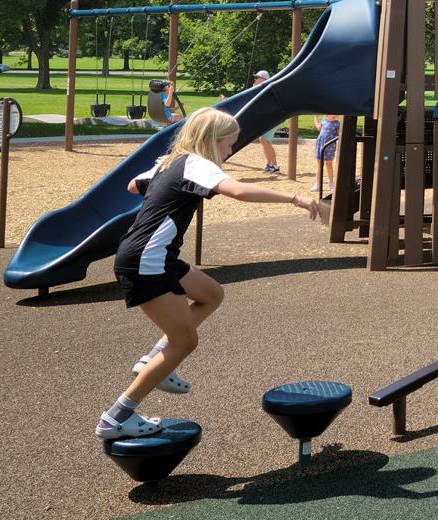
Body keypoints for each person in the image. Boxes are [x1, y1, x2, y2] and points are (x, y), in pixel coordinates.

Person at [95, 107, 321, 440]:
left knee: (211, 293)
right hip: (147, 259)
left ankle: (155, 360)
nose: (230, 151)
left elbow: (133, 185)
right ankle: (117, 417)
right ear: (211, 141)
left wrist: (162, 187)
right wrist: (295, 198)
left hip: (154, 254)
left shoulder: (170, 161)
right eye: (229, 144)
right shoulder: (197, 164)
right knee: (185, 340)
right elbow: (240, 191)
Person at [250, 70, 280, 174]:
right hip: (268, 118)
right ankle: (269, 164)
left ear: (263, 79)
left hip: (274, 118)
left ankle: (275, 165)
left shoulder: (267, 88)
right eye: (256, 77)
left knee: (264, 139)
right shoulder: (260, 88)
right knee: (264, 141)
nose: (255, 79)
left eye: (257, 77)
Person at [312, 113, 341, 196]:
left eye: (336, 113)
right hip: (320, 144)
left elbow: (339, 134)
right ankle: (318, 184)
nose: (334, 115)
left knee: (329, 164)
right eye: (332, 113)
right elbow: (318, 128)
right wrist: (315, 117)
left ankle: (331, 183)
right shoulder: (324, 121)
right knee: (319, 165)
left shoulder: (337, 123)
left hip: (330, 146)